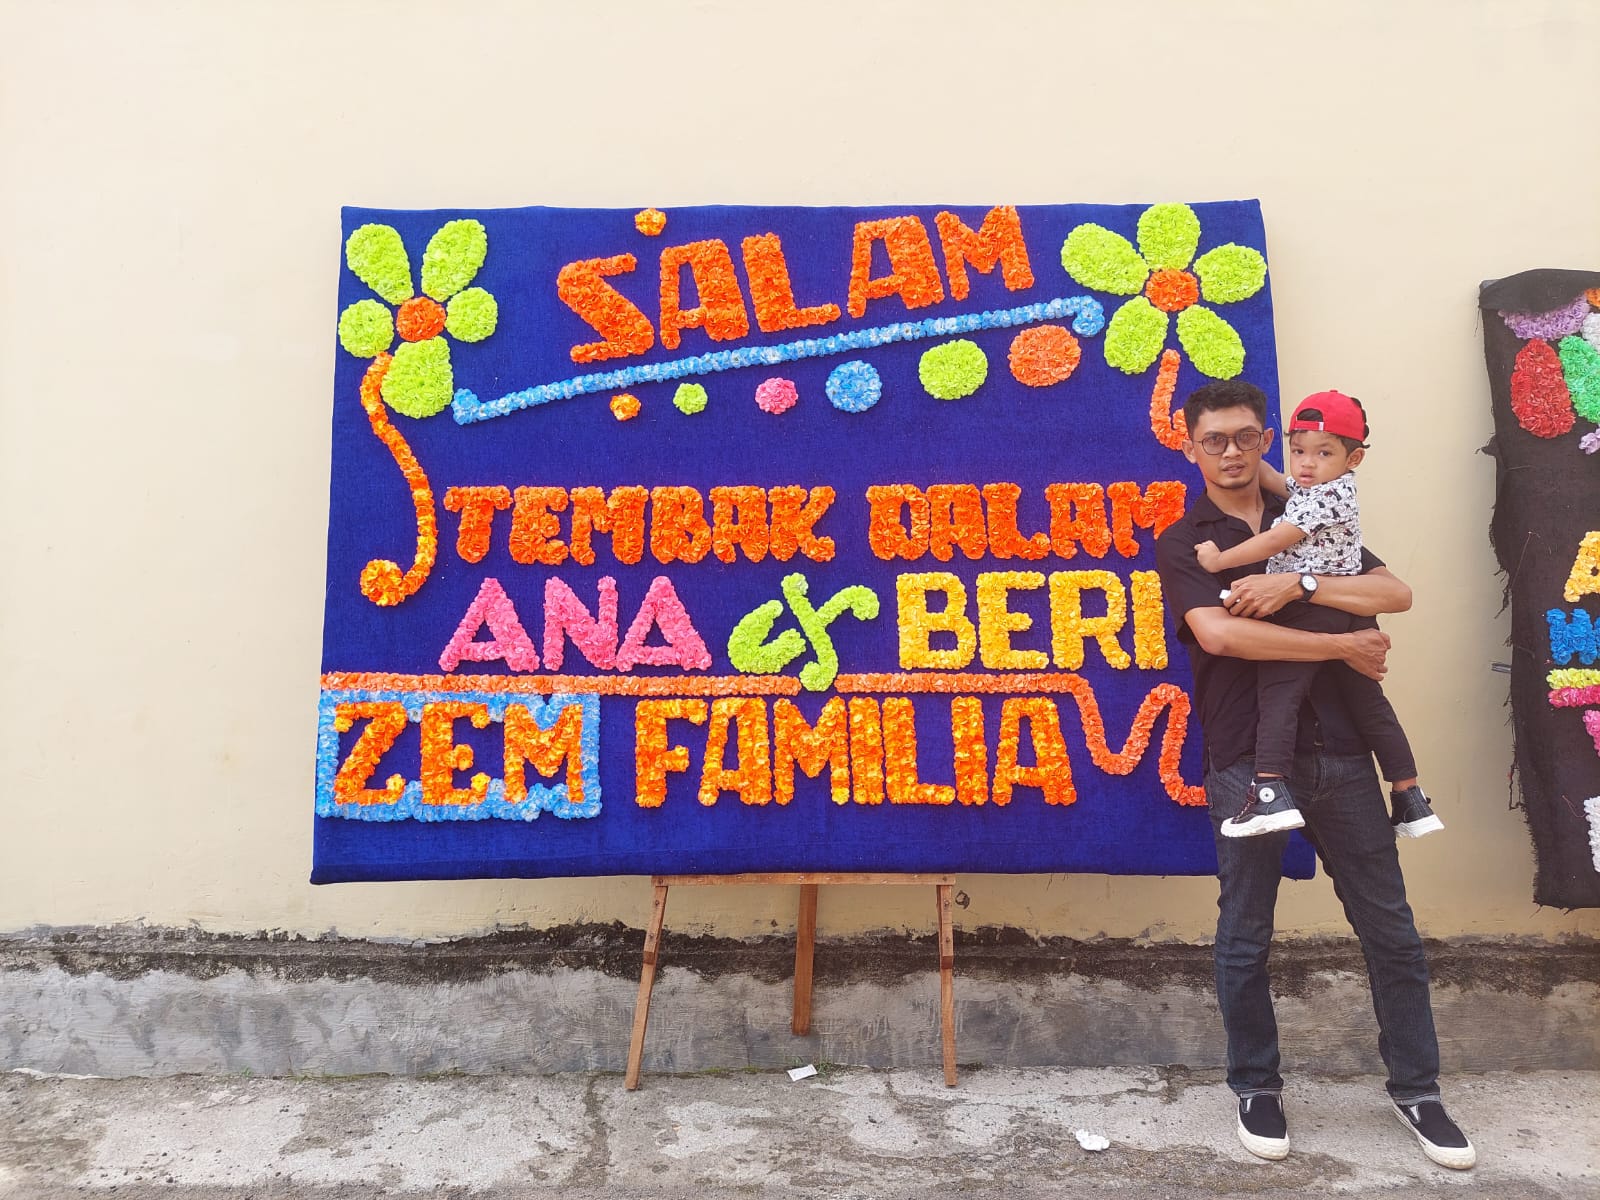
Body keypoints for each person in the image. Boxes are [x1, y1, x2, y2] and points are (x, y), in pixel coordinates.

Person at [1153, 379, 1475, 1169]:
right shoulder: (1185, 540)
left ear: (1267, 441)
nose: (1231, 452)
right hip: (1246, 761)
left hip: (1342, 754)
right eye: (1214, 440)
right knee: (1245, 935)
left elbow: (1393, 591)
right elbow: (1222, 636)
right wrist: (1339, 643)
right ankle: (1256, 1086)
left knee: (1391, 931)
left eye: (1245, 437)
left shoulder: (1313, 512)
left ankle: (1418, 1091)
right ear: (1190, 448)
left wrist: (1296, 583)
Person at [1191, 391, 1442, 841]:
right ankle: (1410, 795)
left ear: (1354, 459)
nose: (1306, 464)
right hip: (1346, 615)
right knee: (1370, 704)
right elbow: (1279, 481)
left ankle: (1269, 791)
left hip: (1313, 614)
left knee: (1278, 692)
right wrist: (1251, 460)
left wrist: (1219, 561)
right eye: (1299, 451)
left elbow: (1275, 542)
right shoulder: (1322, 489)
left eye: (1323, 453)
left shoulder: (1317, 502)